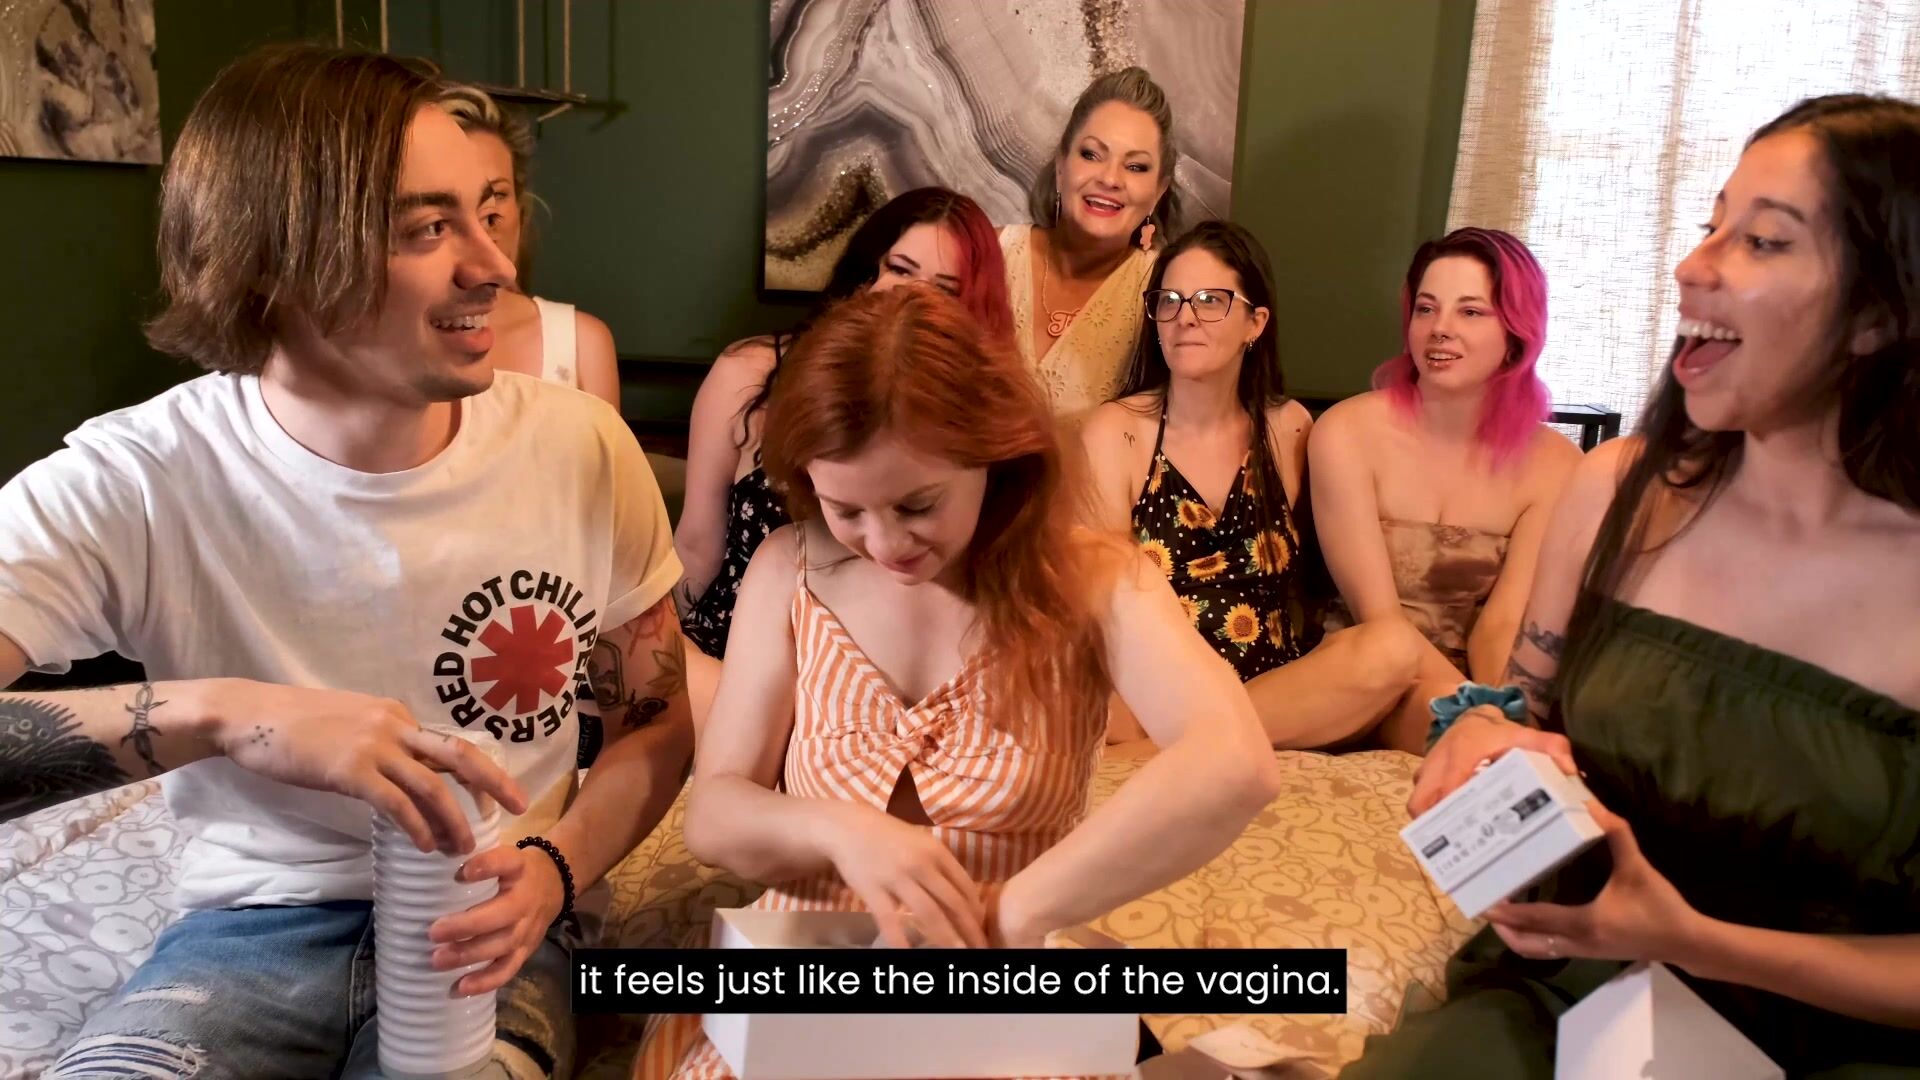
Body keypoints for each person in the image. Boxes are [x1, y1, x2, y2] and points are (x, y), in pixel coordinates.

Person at [0, 45, 692, 1080]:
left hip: (492, 915)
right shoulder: (136, 476)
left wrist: (556, 867)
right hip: (246, 934)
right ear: (277, 258)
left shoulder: (582, 447)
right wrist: (231, 717)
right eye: (427, 228)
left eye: (488, 214)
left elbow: (657, 724)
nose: (494, 267)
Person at [1345, 94, 1920, 1077]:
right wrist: (1481, 734)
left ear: (1878, 315)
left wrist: (1696, 941)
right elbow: (1520, 710)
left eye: (1764, 241)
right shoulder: (1617, 492)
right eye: (1711, 225)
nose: (1693, 265)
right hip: (1574, 990)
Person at [636, 285, 1281, 1079]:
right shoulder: (789, 568)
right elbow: (715, 813)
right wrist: (844, 832)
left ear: (994, 456)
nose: (884, 542)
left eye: (918, 504)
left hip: (1004, 986)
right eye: (846, 509)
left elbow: (1236, 763)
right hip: (807, 982)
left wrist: (1012, 915)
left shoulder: (1094, 581)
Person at [1083, 221, 1426, 750]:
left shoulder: (1290, 428)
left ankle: (1188, 747)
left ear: (1255, 323)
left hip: (1276, 694)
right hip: (1156, 697)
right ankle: (1193, 743)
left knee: (1393, 648)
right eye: (1169, 301)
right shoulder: (1117, 431)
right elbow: (1105, 608)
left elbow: (1326, 584)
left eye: (1210, 300)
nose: (1185, 317)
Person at [674, 186, 1012, 661]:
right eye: (900, 270)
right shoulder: (748, 375)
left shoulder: (983, 417)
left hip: (877, 667)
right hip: (726, 650)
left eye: (944, 290)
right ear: (864, 275)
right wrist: (661, 660)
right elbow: (696, 546)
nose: (912, 297)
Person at [1309, 228, 1579, 706]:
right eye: (1426, 309)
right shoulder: (1346, 431)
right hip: (1355, 678)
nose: (1440, 328)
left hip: (1455, 694)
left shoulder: (1557, 465)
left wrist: (1498, 712)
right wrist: (1480, 710)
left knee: (1500, 740)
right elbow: (1379, 620)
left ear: (1516, 333)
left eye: (1470, 312)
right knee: (1386, 652)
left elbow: (1501, 626)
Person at [1002, 66, 1176, 422]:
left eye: (1136, 167)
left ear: (1159, 191)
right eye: (1091, 155)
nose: (1110, 179)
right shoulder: (989, 253)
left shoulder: (1166, 296)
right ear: (1060, 167)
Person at [439, 82, 621, 409]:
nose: (481, 219)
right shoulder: (388, 345)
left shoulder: (579, 341)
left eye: (495, 196)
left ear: (520, 209)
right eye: (451, 200)